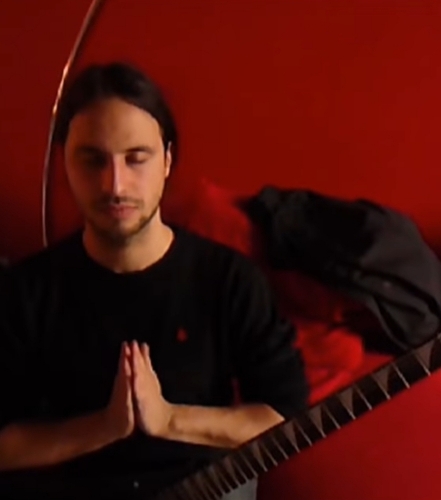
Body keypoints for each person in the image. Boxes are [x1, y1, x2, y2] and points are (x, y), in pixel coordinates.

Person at [0, 62, 309, 500]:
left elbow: (286, 420)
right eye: (93, 160)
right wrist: (104, 428)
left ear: (166, 160)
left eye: (136, 158)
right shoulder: (25, 292)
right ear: (64, 161)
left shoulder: (228, 280)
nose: (115, 185)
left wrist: (167, 419)